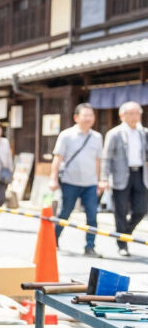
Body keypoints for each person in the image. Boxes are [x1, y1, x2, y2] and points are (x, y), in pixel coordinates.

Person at [50, 103, 104, 257]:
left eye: (91, 115)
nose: (88, 119)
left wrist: (99, 180)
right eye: (85, 115)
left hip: (90, 183)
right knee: (65, 213)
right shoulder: (66, 135)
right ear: (76, 117)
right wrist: (53, 179)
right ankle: (54, 240)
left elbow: (98, 161)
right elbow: (57, 158)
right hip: (70, 181)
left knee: (92, 216)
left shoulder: (97, 137)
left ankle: (90, 246)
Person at [102, 101, 148, 256]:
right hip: (120, 175)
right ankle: (122, 244)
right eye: (131, 113)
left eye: (137, 113)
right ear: (122, 116)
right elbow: (106, 158)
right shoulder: (115, 133)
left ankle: (125, 233)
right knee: (120, 211)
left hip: (140, 174)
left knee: (141, 209)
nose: (135, 116)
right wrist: (104, 178)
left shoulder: (144, 133)